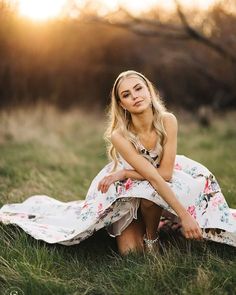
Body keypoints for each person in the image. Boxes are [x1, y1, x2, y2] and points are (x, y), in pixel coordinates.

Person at [0, 70, 235, 255]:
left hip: (154, 181)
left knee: (150, 195)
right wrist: (183, 214)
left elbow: (163, 174)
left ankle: (153, 237)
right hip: (126, 193)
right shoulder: (119, 135)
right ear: (121, 104)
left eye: (138, 89)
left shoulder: (168, 121)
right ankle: (162, 222)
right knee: (131, 254)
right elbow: (152, 176)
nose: (135, 97)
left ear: (149, 90)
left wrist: (125, 174)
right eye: (126, 95)